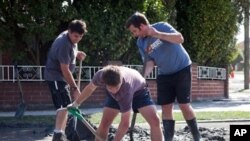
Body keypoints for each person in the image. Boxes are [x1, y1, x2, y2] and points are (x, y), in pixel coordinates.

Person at [125, 12, 202, 141]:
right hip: (164, 74)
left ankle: (196, 137)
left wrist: (157, 34)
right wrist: (142, 77)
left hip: (182, 68)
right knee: (166, 107)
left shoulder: (162, 26)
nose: (134, 35)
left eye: (134, 31)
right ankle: (168, 139)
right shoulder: (140, 42)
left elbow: (180, 39)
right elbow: (150, 61)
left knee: (184, 105)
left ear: (142, 26)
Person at [69, 65, 163, 141]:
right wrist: (76, 103)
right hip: (119, 94)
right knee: (105, 123)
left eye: (116, 87)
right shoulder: (101, 74)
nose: (114, 91)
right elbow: (90, 88)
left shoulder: (126, 89)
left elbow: (125, 123)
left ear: (121, 81)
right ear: (105, 82)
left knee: (155, 121)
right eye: (110, 88)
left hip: (139, 92)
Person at [44, 19, 87, 141]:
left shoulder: (71, 38)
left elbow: (70, 51)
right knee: (63, 107)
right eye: (75, 36)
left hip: (62, 77)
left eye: (80, 37)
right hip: (56, 77)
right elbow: (65, 69)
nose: (77, 39)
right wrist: (74, 88)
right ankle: (58, 136)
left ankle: (63, 134)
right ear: (69, 31)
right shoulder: (63, 44)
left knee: (67, 106)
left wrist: (76, 53)